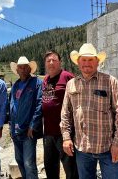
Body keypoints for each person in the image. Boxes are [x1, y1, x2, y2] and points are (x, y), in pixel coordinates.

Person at [61, 43, 118, 179]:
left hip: (108, 148)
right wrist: (66, 137)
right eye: (84, 60)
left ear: (97, 61)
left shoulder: (110, 82)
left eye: (91, 59)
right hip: (82, 149)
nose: (87, 63)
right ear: (78, 62)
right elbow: (65, 113)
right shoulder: (71, 84)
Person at [41, 51, 78, 179]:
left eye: (54, 60)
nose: (51, 63)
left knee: (70, 168)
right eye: (48, 61)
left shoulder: (67, 77)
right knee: (50, 166)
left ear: (60, 62)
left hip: (65, 133)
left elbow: (77, 101)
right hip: (48, 132)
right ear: (45, 64)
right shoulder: (45, 79)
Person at [9, 56, 43, 179]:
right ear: (17, 70)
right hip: (16, 130)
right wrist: (11, 128)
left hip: (28, 129)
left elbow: (39, 104)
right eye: (20, 67)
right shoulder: (15, 85)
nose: (22, 70)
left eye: (25, 67)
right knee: (19, 160)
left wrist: (33, 125)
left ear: (29, 69)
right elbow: (11, 107)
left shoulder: (36, 83)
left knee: (29, 163)